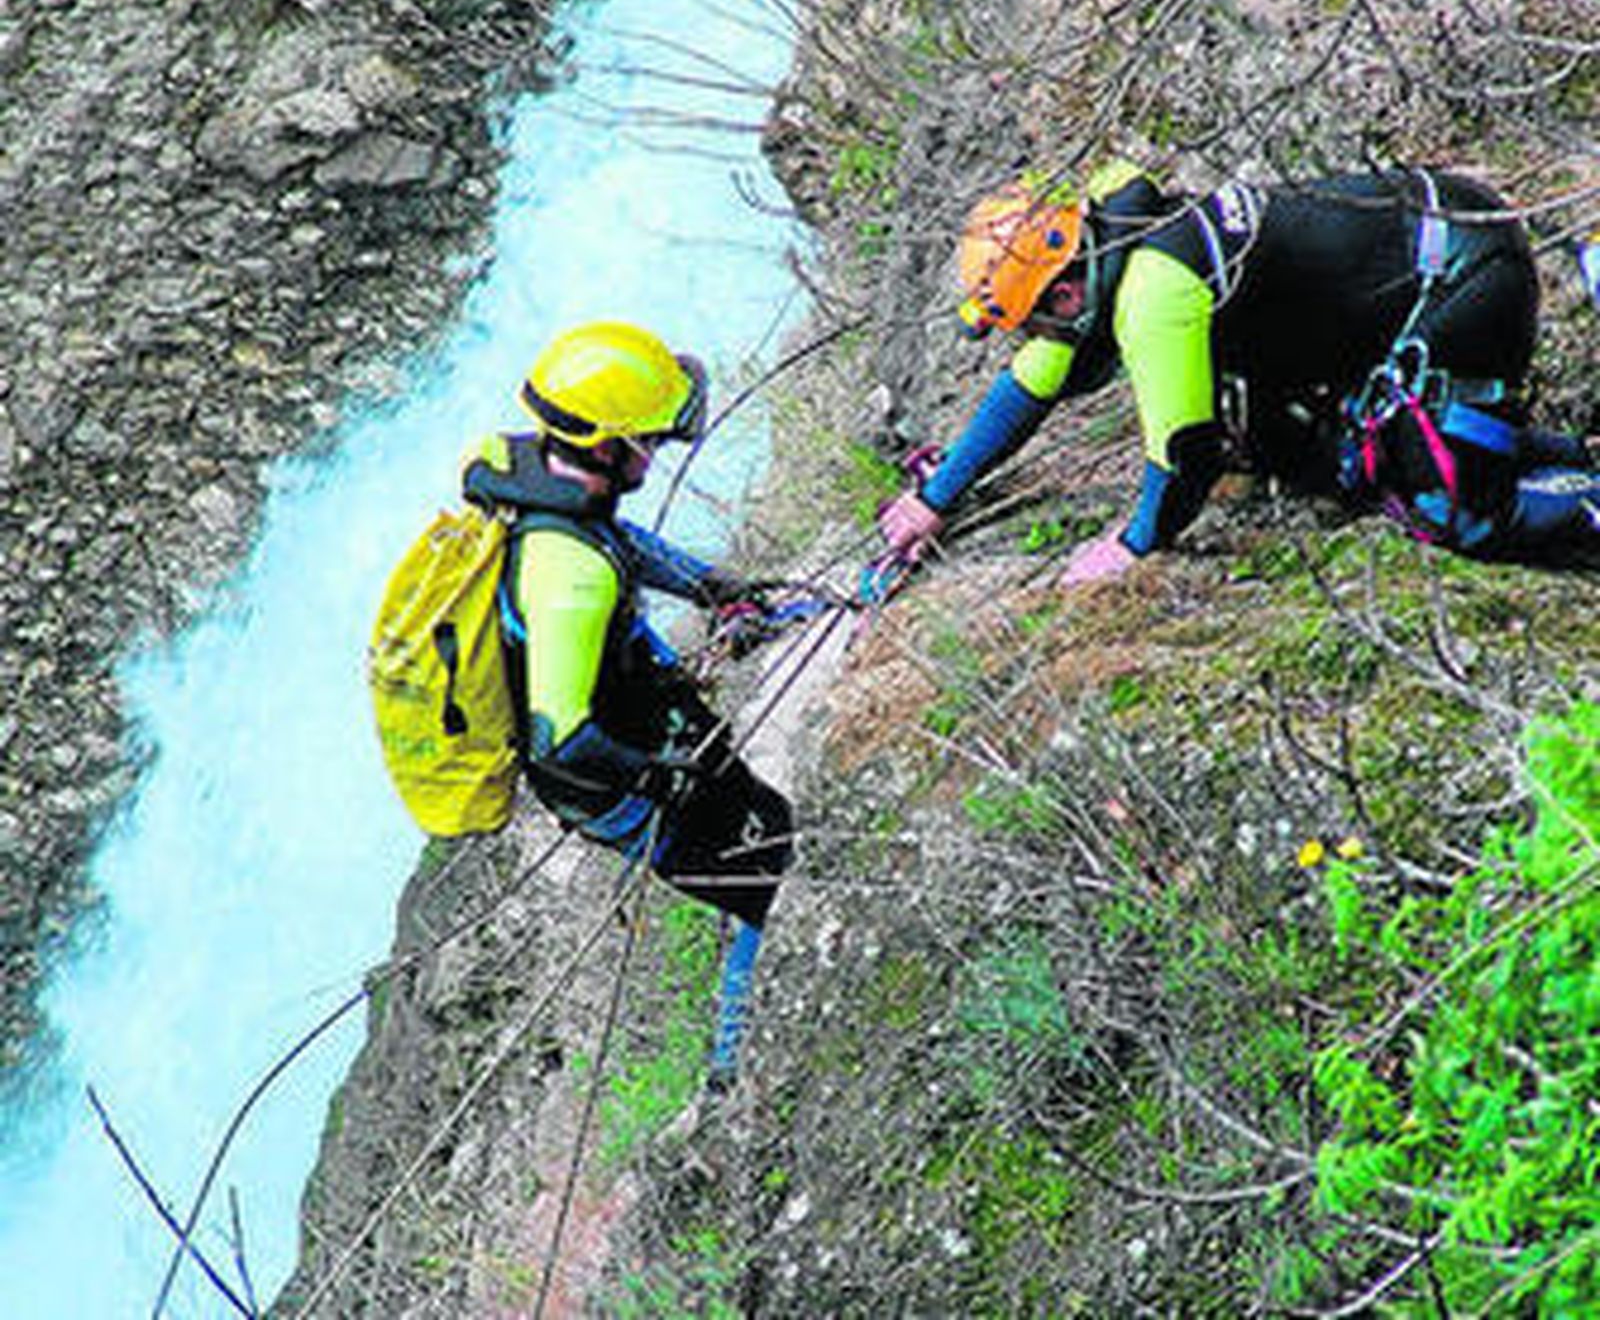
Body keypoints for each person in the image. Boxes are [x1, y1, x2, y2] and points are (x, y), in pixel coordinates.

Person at [878, 161, 1600, 581]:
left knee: (1458, 517)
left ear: (1064, 294)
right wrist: (936, 496)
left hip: (1462, 279)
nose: (1036, 337)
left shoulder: (1154, 297)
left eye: (1034, 320)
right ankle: (1570, 460)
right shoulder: (1117, 235)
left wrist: (1131, 546)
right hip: (1439, 243)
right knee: (1342, 460)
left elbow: (1183, 453)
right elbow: (1023, 392)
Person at [461, 319, 794, 1092]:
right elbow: (561, 735)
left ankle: (733, 1035)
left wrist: (719, 590)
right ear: (607, 445)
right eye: (647, 437)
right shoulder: (569, 575)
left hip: (641, 740)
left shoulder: (551, 493)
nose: (657, 450)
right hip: (619, 781)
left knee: (759, 840)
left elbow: (627, 546)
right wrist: (664, 778)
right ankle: (730, 1072)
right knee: (765, 866)